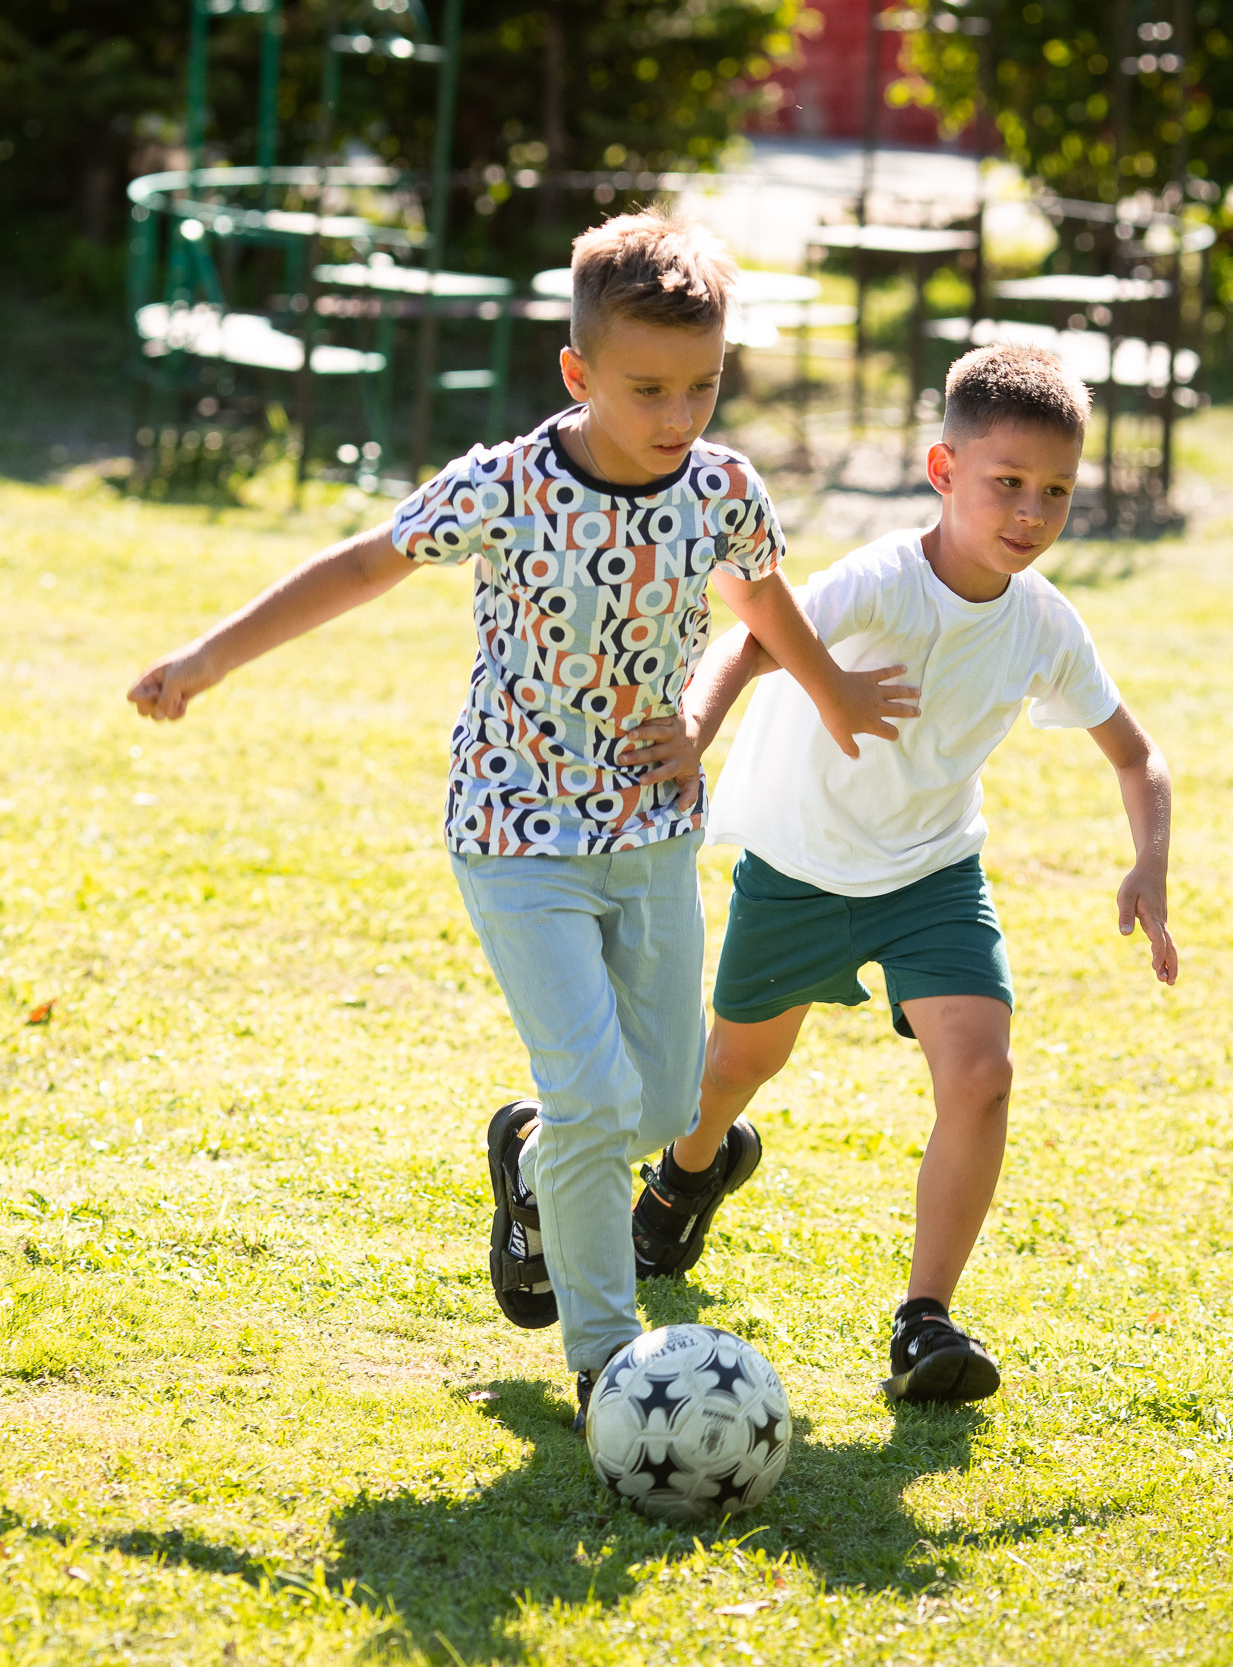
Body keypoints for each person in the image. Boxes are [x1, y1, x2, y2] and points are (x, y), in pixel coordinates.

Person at [126, 210, 909, 1434]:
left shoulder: (723, 486)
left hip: (652, 827)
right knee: (599, 1088)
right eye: (647, 388)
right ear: (578, 372)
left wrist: (832, 688)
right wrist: (210, 656)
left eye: (701, 386)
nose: (676, 417)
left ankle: (534, 1156)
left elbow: (762, 597)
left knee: (656, 1106)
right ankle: (606, 1355)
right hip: (514, 825)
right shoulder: (504, 484)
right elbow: (361, 563)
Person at [627, 344, 1178, 1405]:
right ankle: (691, 1168)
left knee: (981, 1075)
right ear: (942, 468)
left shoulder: (1041, 622)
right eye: (1005, 483)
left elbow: (1134, 752)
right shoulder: (882, 581)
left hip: (932, 872)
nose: (1030, 511)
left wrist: (1147, 859)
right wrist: (694, 728)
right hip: (802, 866)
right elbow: (749, 627)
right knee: (735, 1069)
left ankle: (924, 1321)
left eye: (1055, 490)